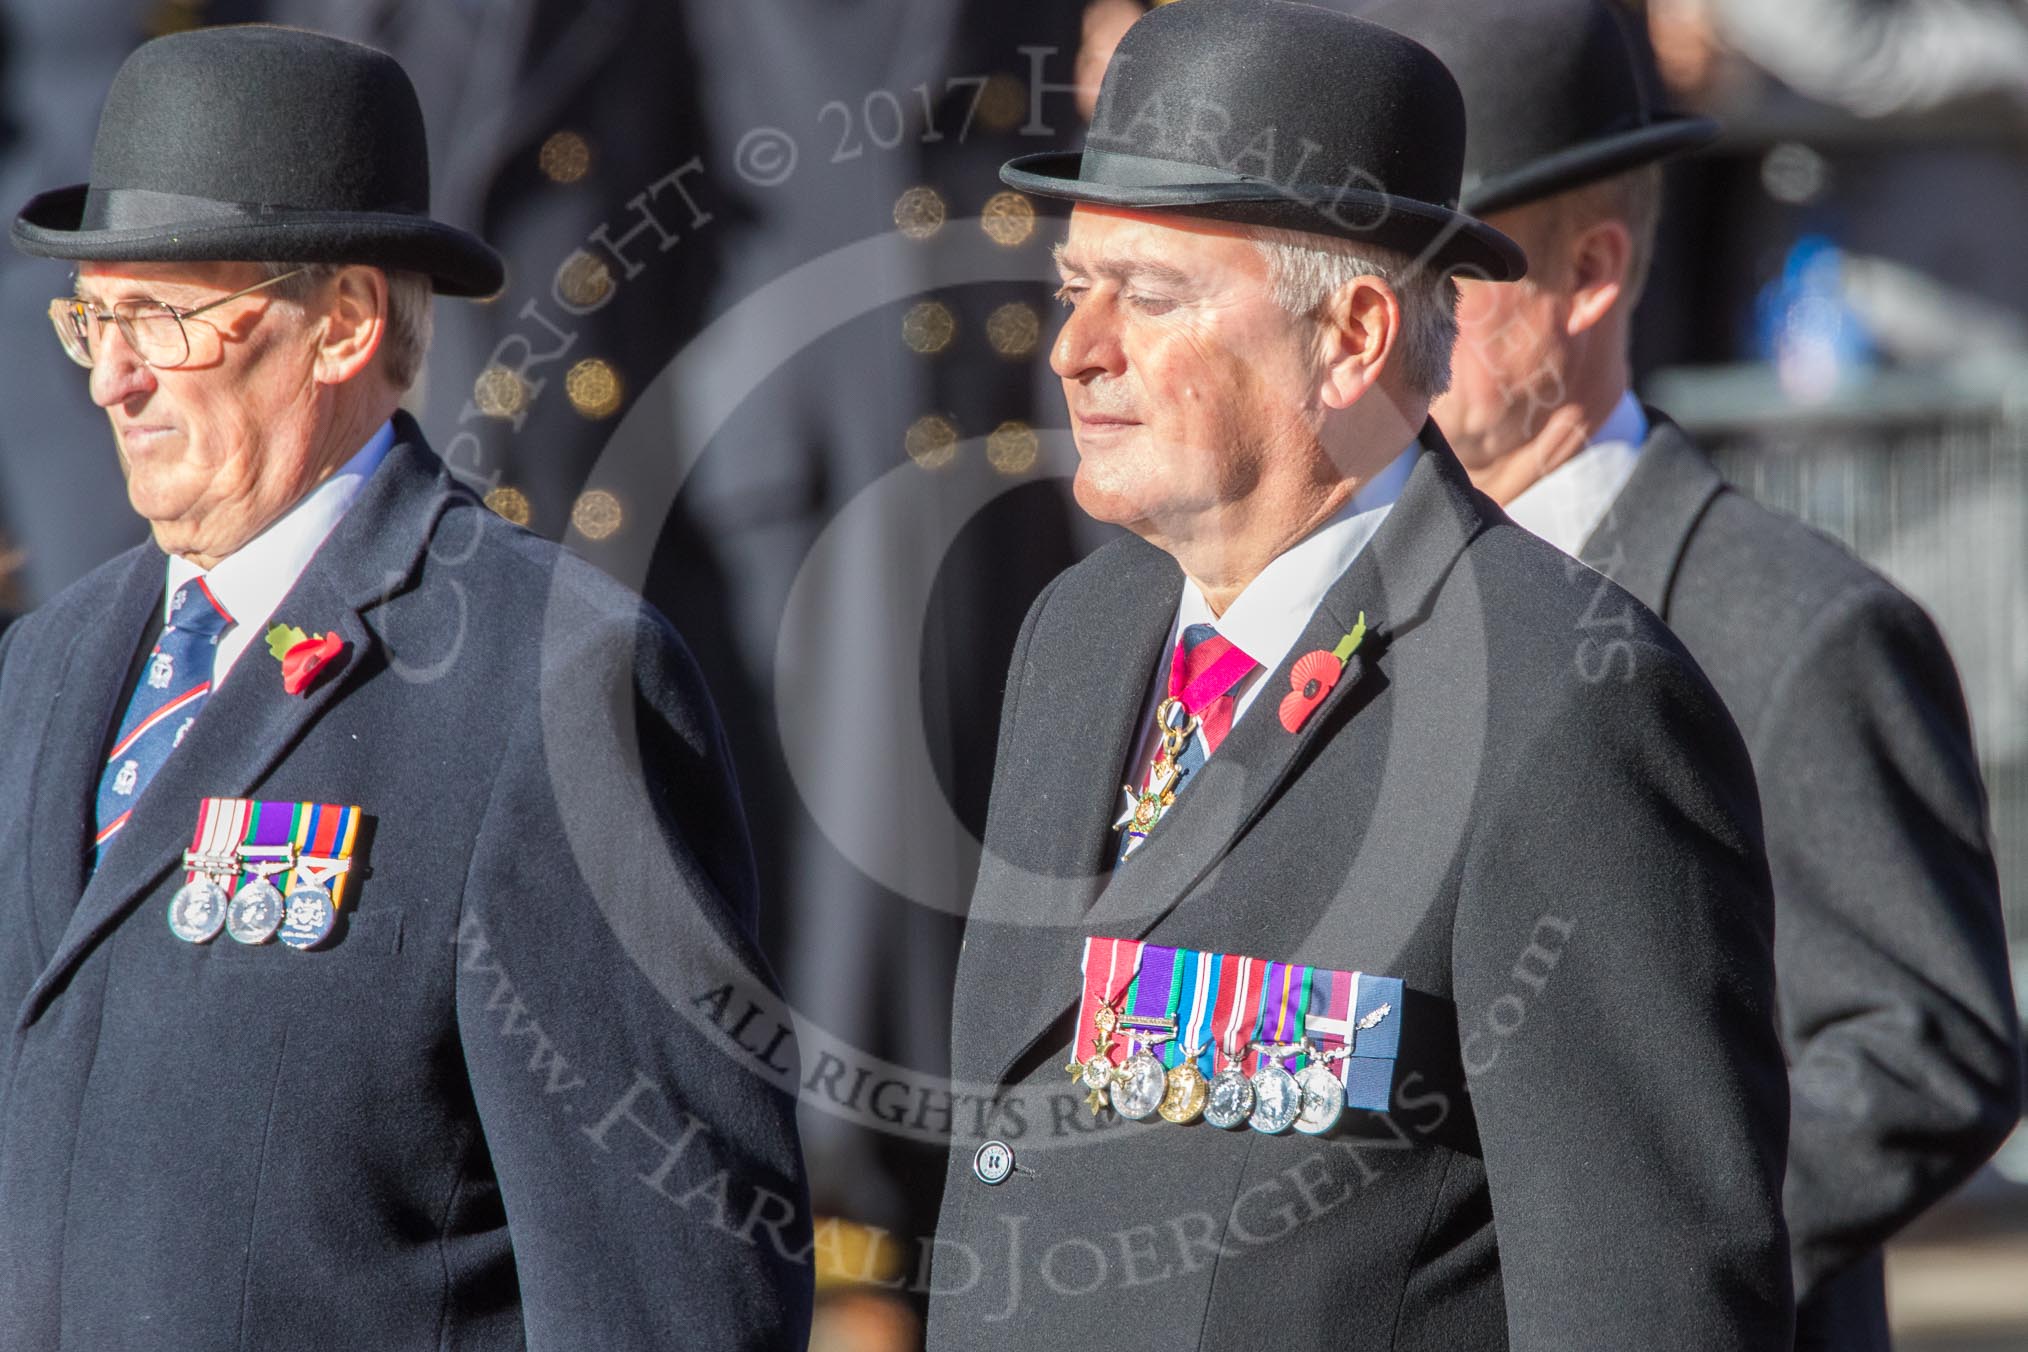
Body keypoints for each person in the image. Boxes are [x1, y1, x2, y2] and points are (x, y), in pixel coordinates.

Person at [927, 1, 1793, 1347]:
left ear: (1353, 337)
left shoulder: (1565, 704)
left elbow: (1649, 1305)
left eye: (1148, 297)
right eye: (1072, 288)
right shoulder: (1080, 632)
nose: (1076, 349)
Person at [0, 25, 811, 1350]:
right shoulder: (46, 668)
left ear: (346, 326)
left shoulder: (549, 684)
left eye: (169, 319)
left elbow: (670, 1298)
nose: (111, 375)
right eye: (94, 315)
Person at [1358, 2, 2025, 1347]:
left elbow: (1921, 1049)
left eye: (1442, 281)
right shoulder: (1352, 601)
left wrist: (1616, 1260)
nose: (1380, 336)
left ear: (1590, 274)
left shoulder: (1784, 620)